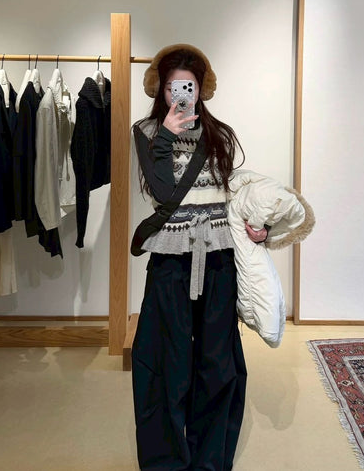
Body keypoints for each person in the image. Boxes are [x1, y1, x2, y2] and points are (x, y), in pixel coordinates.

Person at [131, 44, 266, 471]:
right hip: (171, 261)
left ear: (201, 89)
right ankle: (167, 463)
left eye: (188, 86)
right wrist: (167, 136)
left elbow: (234, 194)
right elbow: (162, 192)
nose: (181, 95)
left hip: (219, 259)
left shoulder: (219, 134)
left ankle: (209, 462)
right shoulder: (146, 131)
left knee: (218, 363)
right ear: (161, 89)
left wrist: (260, 227)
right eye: (173, 86)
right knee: (164, 362)